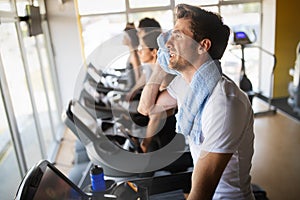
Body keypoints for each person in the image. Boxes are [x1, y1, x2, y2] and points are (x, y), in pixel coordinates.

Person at [138, 4, 255, 199]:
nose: (167, 43)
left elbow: (201, 195)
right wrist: (160, 67)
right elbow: (146, 107)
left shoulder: (224, 103)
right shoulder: (189, 85)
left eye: (178, 35)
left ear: (203, 46)